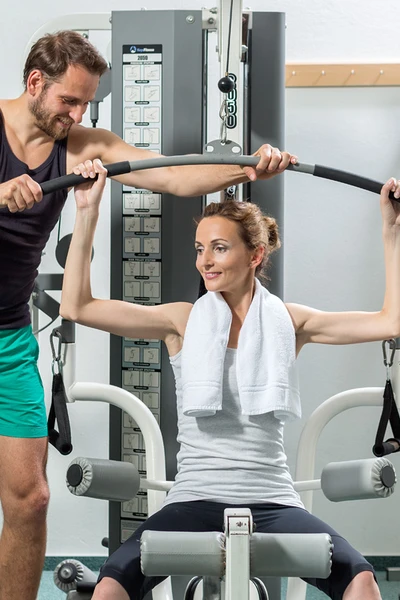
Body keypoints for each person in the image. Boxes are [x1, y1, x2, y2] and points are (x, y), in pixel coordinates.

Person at [0, 30, 294, 600]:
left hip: (10, 338)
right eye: (68, 101)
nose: (76, 115)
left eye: (85, 103)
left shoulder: (79, 145)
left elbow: (172, 176)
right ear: (34, 82)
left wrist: (247, 170)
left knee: (31, 498)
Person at [60, 157, 400, 600]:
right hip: (193, 500)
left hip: (273, 501)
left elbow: (390, 321)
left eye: (219, 248)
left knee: (362, 581)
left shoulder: (288, 322)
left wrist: (392, 230)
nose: (205, 261)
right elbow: (78, 306)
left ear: (255, 255)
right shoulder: (181, 322)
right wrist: (87, 211)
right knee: (110, 587)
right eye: (200, 248)